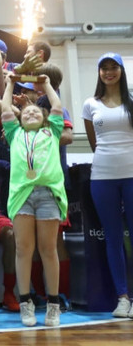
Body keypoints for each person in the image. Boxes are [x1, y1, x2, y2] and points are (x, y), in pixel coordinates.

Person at [1, 73, 67, 328]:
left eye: (36, 113)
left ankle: (53, 305)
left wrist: (47, 85)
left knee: (48, 249)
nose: (30, 114)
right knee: (23, 249)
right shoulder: (14, 134)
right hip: (22, 196)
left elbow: (57, 106)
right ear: (19, 118)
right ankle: (25, 302)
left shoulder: (53, 131)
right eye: (26, 112)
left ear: (45, 118)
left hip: (48, 194)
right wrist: (8, 84)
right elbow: (6, 109)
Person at [82, 52, 133, 318]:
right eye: (104, 68)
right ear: (99, 73)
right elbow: (94, 143)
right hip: (102, 176)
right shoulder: (90, 104)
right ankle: (122, 298)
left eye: (114, 67)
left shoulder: (132, 102)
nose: (109, 72)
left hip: (132, 175)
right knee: (113, 238)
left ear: (122, 71)